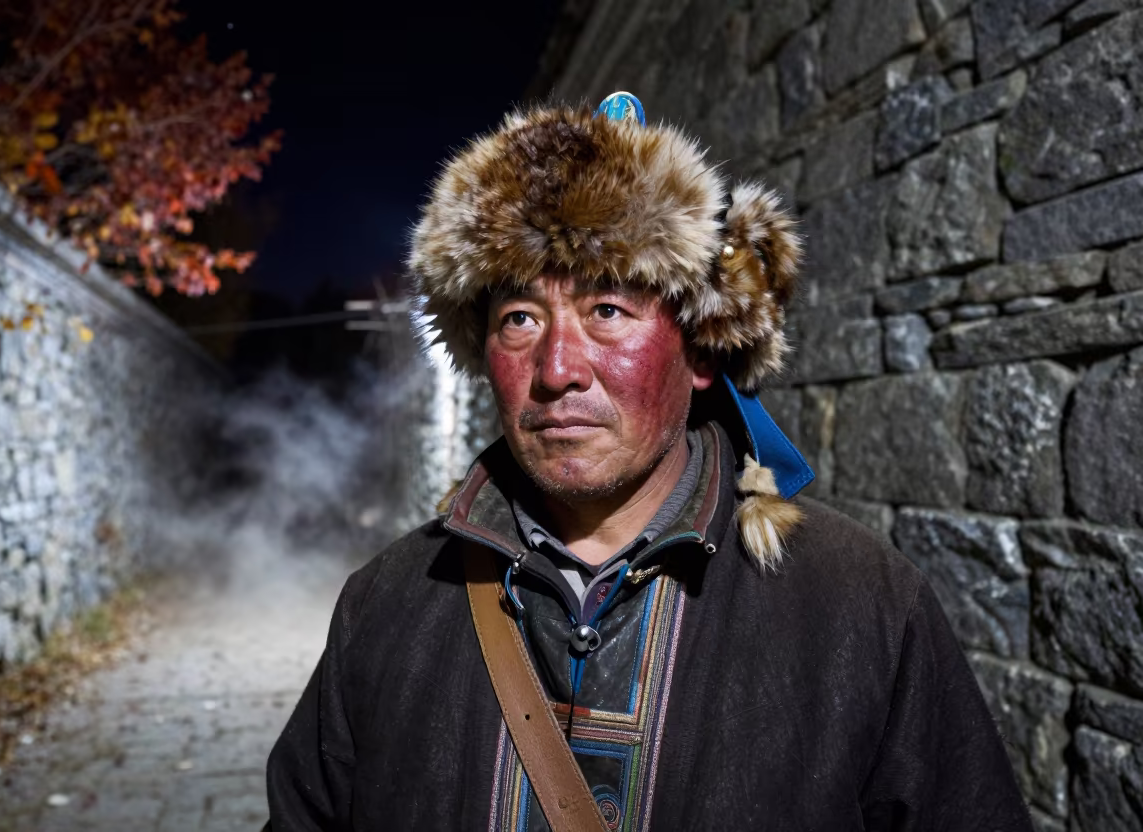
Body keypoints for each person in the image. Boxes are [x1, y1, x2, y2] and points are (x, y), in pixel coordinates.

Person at [263, 95, 1034, 831]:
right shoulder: (387, 606)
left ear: (699, 352)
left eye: (608, 311)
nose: (558, 366)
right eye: (521, 318)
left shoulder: (860, 608)